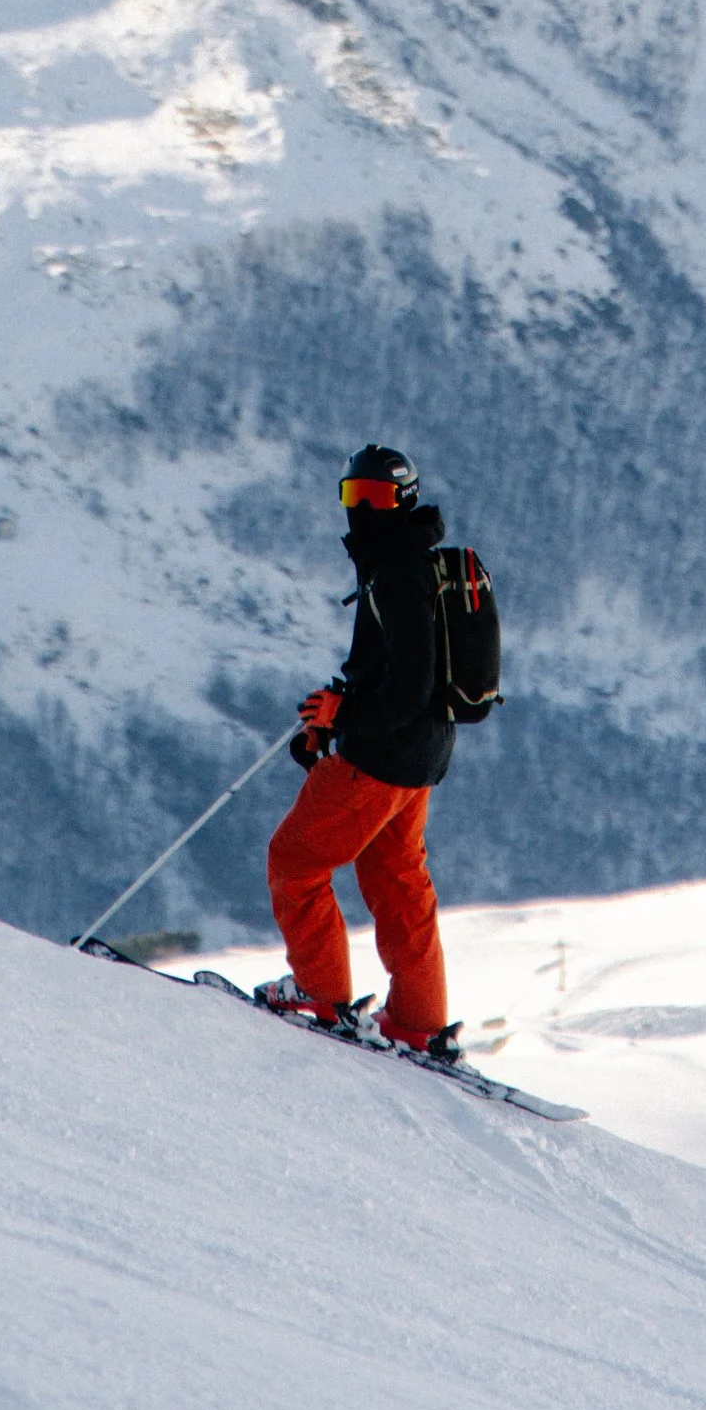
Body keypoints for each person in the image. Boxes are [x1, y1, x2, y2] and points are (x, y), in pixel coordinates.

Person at [260, 441, 457, 1060]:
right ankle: (418, 1023)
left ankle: (320, 994)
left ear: (402, 501)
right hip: (421, 759)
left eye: (374, 498)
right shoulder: (412, 566)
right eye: (353, 496)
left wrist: (344, 715)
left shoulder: (396, 575)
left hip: (382, 759)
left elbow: (408, 687)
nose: (362, 510)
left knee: (295, 862)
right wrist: (337, 710)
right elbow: (395, 678)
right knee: (397, 880)